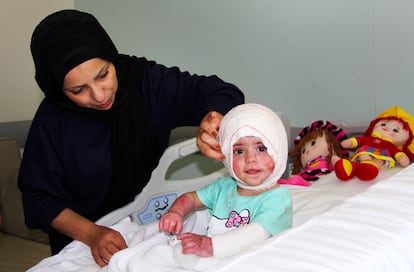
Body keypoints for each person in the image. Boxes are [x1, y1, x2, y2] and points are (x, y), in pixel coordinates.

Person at [17, 9, 244, 267]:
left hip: (148, 224)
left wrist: (212, 120)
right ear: (58, 89)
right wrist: (91, 234)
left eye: (103, 75)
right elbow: (38, 200)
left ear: (111, 56)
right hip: (82, 242)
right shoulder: (52, 120)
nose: (100, 96)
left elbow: (221, 90)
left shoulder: (145, 82)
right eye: (78, 90)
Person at [159, 103, 292, 263]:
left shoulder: (278, 199)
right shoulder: (223, 187)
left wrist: (210, 245)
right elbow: (191, 198)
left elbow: (258, 233)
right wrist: (176, 212)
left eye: (261, 149)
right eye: (239, 151)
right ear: (227, 156)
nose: (250, 159)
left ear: (279, 150)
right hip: (215, 257)